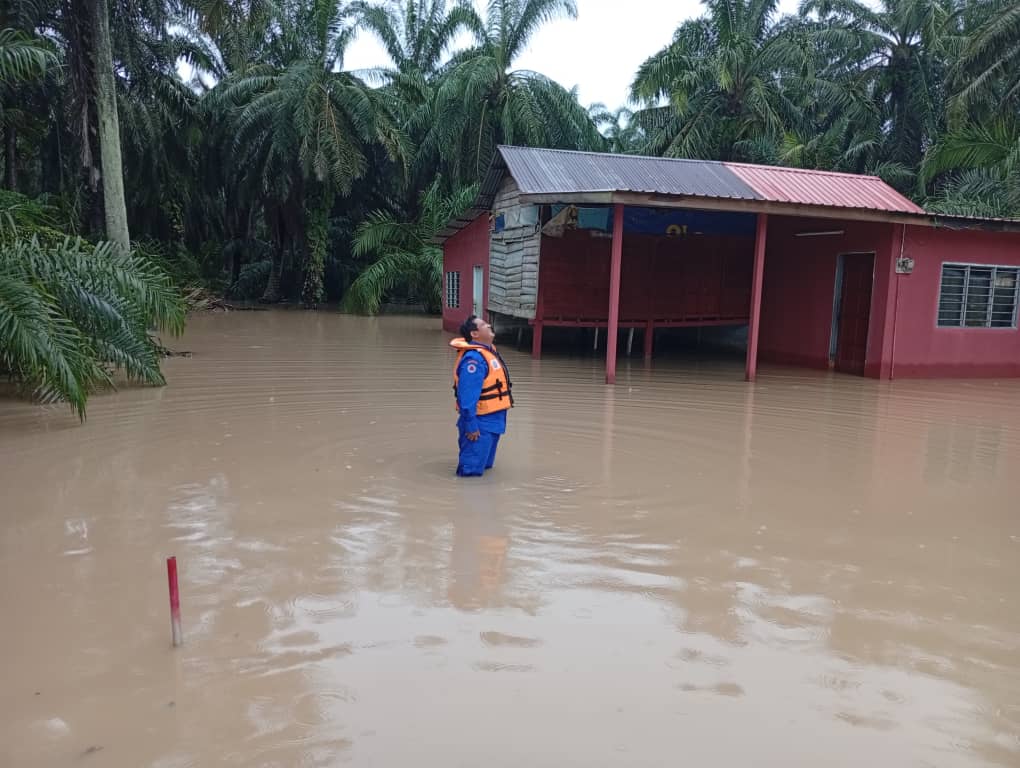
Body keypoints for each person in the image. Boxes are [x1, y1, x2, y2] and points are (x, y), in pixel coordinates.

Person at [450, 315, 513, 477]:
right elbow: (467, 396)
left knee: (485, 468)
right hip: (479, 424)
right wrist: (471, 424)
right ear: (474, 334)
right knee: (470, 474)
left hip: (493, 422)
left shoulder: (488, 353)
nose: (489, 325)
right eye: (484, 324)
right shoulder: (474, 360)